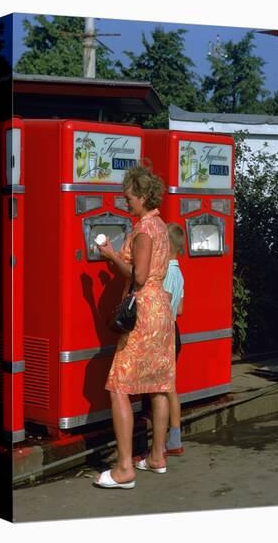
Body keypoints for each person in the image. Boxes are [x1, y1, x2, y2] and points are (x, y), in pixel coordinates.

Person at [94, 165, 175, 490]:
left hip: (143, 308)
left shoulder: (143, 230)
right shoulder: (161, 227)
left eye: (129, 198)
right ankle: (157, 457)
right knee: (157, 385)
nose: (126, 203)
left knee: (119, 387)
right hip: (161, 309)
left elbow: (138, 276)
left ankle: (124, 468)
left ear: (142, 196)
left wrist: (112, 255)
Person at [163, 223, 185, 456]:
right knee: (170, 387)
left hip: (164, 333)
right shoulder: (179, 273)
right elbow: (180, 309)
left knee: (165, 390)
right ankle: (174, 438)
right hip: (174, 331)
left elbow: (166, 304)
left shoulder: (167, 272)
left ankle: (172, 441)